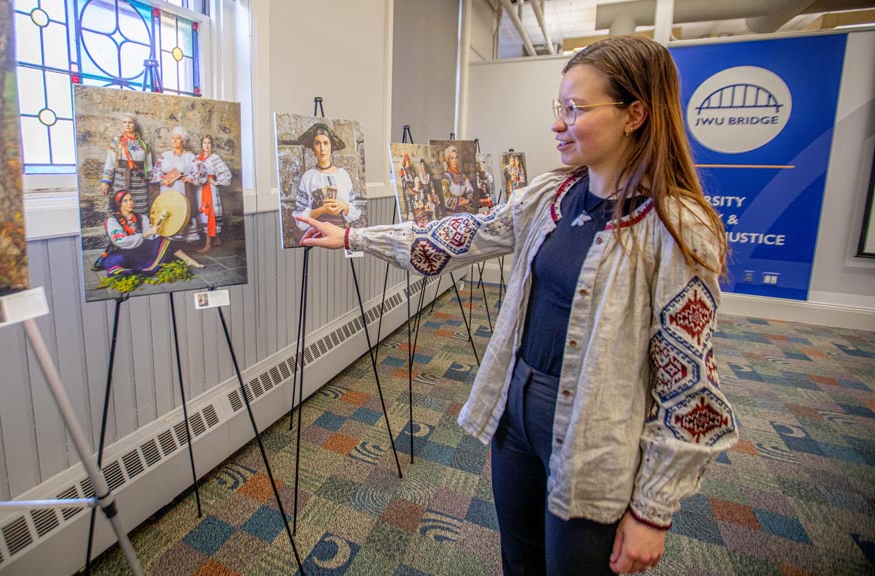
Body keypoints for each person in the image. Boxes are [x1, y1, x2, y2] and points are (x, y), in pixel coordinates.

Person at [297, 35, 736, 576]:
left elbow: (687, 385)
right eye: (560, 107)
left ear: (635, 114)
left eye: (575, 109)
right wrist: (354, 239)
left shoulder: (676, 228)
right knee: (519, 560)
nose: (559, 123)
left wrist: (653, 511)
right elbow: (461, 236)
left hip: (593, 437)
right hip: (517, 414)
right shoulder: (549, 195)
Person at [101, 190, 201, 277]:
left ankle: (188, 260)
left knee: (163, 241)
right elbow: (120, 241)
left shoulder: (140, 218)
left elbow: (152, 235)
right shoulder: (113, 221)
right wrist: (146, 234)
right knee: (116, 261)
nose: (130, 203)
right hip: (123, 251)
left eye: (131, 199)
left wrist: (160, 230)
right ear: (119, 204)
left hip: (139, 250)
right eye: (125, 201)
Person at [292, 122, 363, 237]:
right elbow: (300, 218)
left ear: (331, 146)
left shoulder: (343, 175)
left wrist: (344, 206)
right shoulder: (308, 177)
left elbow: (354, 209)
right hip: (318, 235)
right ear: (313, 147)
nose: (322, 148)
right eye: (317, 143)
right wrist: (322, 210)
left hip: (341, 234)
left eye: (325, 143)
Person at [151, 126, 208, 248]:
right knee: (168, 211)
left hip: (181, 188)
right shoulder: (165, 155)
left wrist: (190, 178)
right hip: (167, 189)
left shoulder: (189, 157)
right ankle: (168, 242)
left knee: (181, 211)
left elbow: (202, 172)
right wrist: (162, 180)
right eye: (173, 138)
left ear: (183, 141)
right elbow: (156, 171)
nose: (174, 141)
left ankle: (182, 245)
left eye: (178, 138)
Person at [99, 113, 152, 216]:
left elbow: (148, 164)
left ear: (135, 125)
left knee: (140, 210)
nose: (127, 125)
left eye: (130, 122)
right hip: (121, 180)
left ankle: (140, 231)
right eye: (125, 122)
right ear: (122, 125)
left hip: (139, 183)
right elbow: (110, 161)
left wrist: (150, 181)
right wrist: (106, 181)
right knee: (121, 209)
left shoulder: (144, 144)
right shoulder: (117, 142)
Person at [195, 134, 232, 254]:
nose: (206, 145)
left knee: (209, 215)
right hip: (200, 189)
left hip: (209, 190)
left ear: (212, 145)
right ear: (202, 144)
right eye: (204, 143)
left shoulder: (215, 158)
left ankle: (208, 245)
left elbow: (226, 173)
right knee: (202, 215)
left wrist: (216, 182)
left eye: (209, 143)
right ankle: (216, 239)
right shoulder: (197, 158)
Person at [439, 145, 474, 213]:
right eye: (452, 158)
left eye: (456, 158)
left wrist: (468, 200)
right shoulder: (446, 177)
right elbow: (445, 199)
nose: (455, 160)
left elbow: (469, 187)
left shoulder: (462, 175)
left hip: (465, 207)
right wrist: (459, 202)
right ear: (448, 160)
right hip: (452, 212)